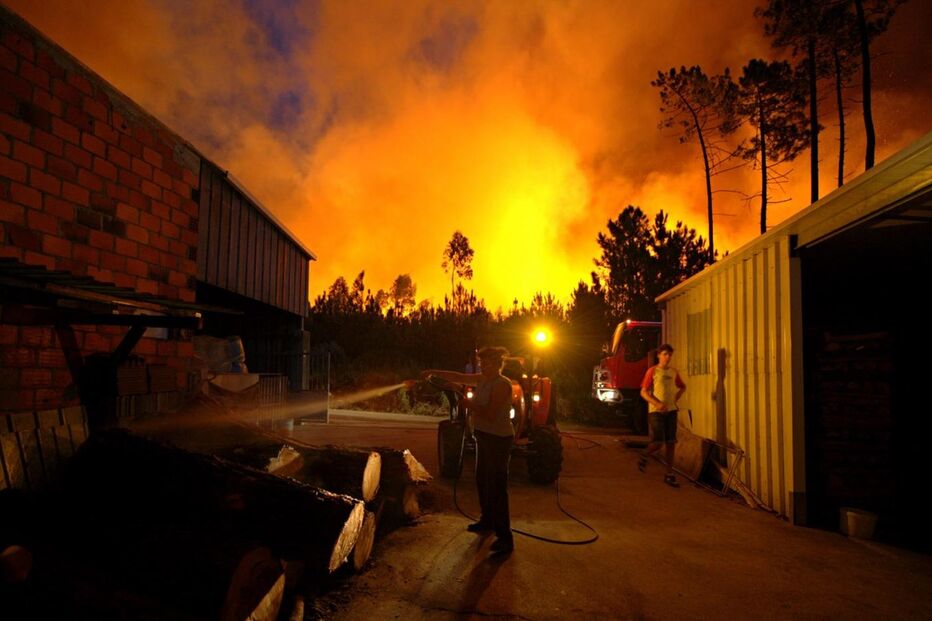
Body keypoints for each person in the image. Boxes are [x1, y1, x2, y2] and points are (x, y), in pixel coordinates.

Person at [421, 346, 515, 554]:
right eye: (481, 363)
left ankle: (505, 537)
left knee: (497, 486)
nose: (483, 366)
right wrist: (433, 372)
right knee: (482, 479)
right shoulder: (482, 380)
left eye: (486, 363)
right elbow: (458, 376)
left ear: (498, 363)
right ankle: (487, 520)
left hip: (498, 439)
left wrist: (468, 404)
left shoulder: (502, 384)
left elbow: (491, 413)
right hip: (483, 436)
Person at [638, 343, 686, 487]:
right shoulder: (652, 371)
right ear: (659, 355)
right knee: (659, 441)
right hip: (656, 412)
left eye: (670, 355)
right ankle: (645, 454)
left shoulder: (673, 372)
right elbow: (643, 392)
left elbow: (683, 387)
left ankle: (669, 474)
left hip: (671, 411)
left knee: (671, 442)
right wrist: (657, 403)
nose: (668, 357)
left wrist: (675, 399)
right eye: (665, 354)